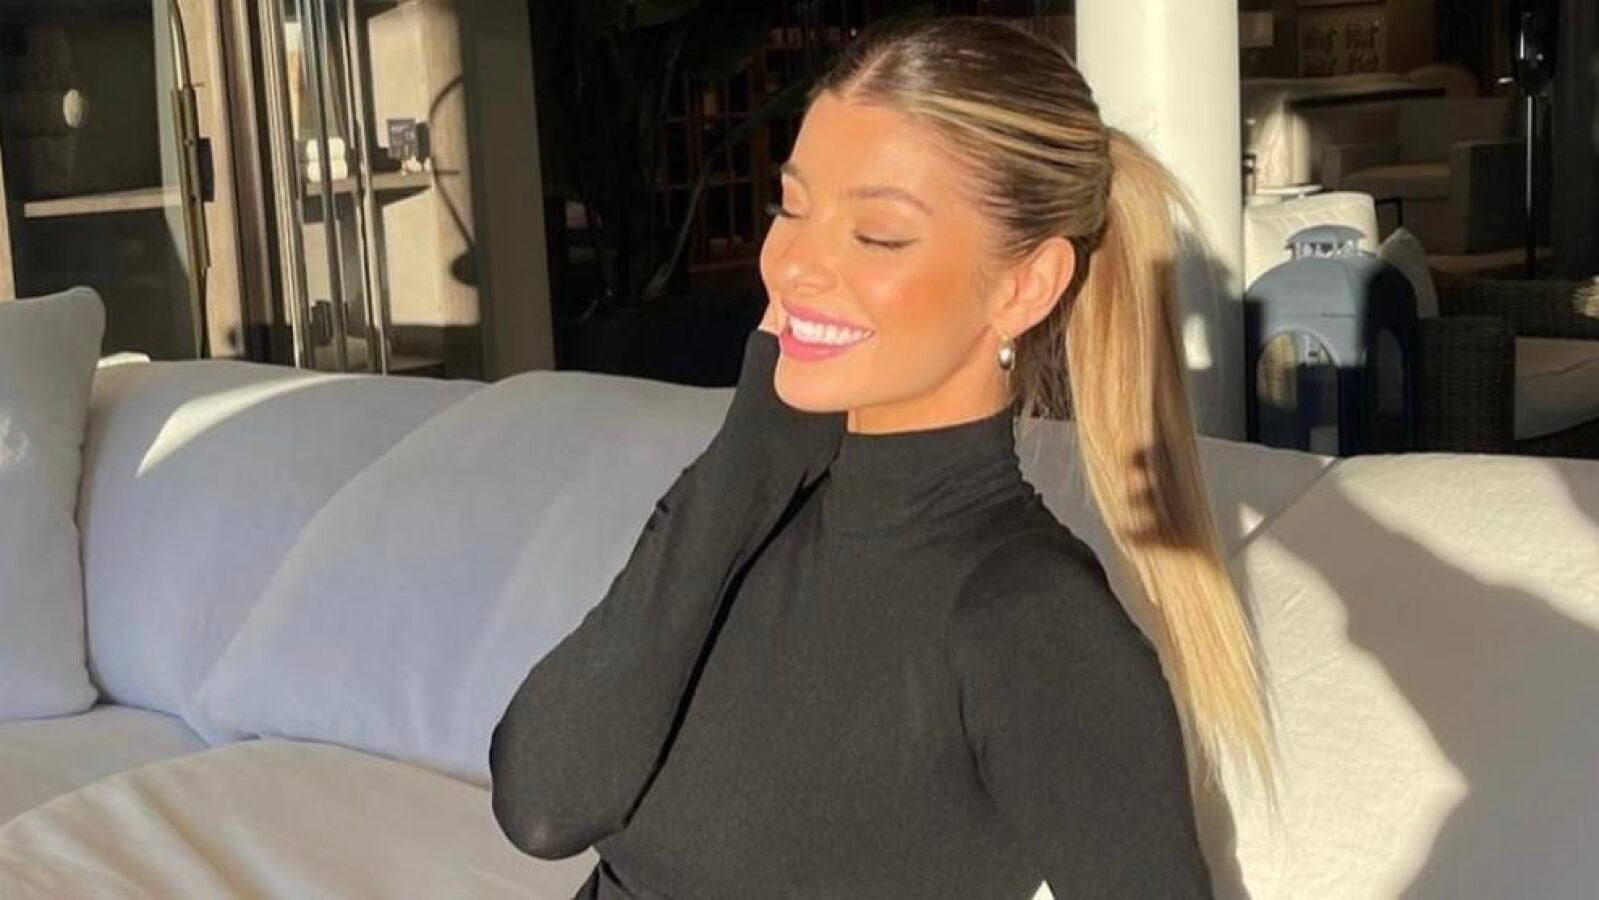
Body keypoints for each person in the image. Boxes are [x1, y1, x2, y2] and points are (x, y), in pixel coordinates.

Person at [489, 15, 1283, 899]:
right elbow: (542, 803)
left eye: (876, 235)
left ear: (1026, 286)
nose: (794, 265)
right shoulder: (757, 505)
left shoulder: (1028, 616)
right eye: (791, 208)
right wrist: (748, 452)